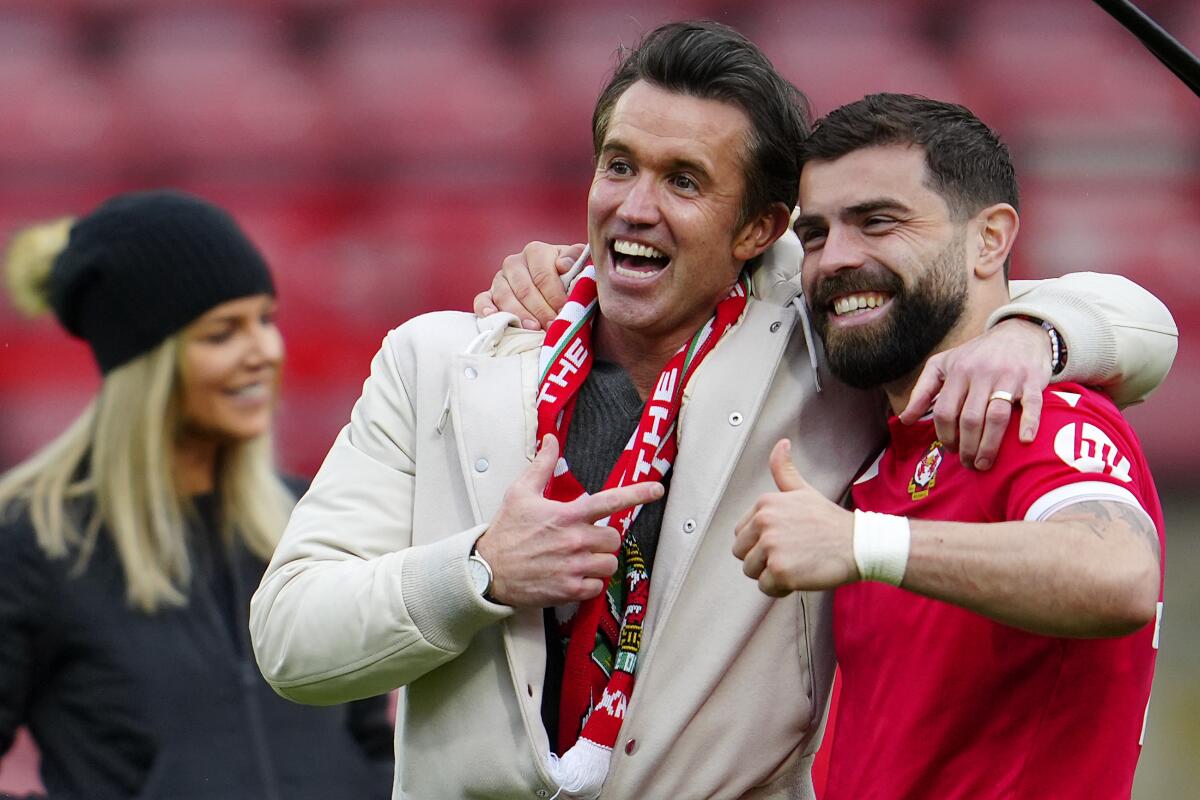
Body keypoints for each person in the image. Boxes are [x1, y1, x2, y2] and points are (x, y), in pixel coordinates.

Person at [250, 22, 1176, 800]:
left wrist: (1033, 330)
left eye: (684, 181)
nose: (635, 208)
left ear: (757, 232)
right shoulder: (442, 362)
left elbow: (1132, 323)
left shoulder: (820, 348)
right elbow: (292, 640)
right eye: (619, 166)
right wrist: (480, 571)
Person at [732, 94, 1169, 799]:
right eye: (815, 235)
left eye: (878, 221)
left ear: (989, 240)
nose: (835, 260)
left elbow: (1116, 576)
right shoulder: (881, 446)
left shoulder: (1036, 415)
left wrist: (862, 543)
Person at [0, 190, 393, 800]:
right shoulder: (34, 540)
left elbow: (369, 737)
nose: (263, 351)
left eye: (265, 320)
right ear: (146, 364)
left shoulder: (310, 514)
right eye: (221, 333)